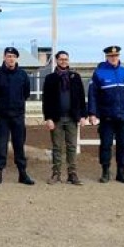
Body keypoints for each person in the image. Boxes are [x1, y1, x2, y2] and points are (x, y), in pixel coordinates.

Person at [87, 45, 124, 183]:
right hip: (106, 116)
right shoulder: (99, 73)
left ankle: (121, 172)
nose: (113, 58)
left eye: (116, 55)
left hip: (123, 116)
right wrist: (92, 113)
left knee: (123, 145)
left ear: (119, 56)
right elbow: (93, 95)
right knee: (105, 145)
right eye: (111, 56)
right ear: (106, 57)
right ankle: (105, 172)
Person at [0, 47, 34, 186]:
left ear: (16, 58)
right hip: (2, 117)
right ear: (4, 57)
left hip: (18, 116)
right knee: (0, 145)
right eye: (8, 56)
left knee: (19, 145)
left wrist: (18, 104)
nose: (11, 58)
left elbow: (26, 93)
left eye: (13, 56)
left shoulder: (23, 75)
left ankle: (22, 174)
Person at [42, 50, 87, 185]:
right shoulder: (50, 78)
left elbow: (81, 97)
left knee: (72, 146)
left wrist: (83, 115)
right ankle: (56, 173)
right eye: (61, 59)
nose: (64, 61)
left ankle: (72, 174)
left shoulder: (75, 77)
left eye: (66, 59)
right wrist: (48, 117)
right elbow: (46, 100)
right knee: (57, 147)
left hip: (72, 118)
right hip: (56, 118)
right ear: (56, 60)